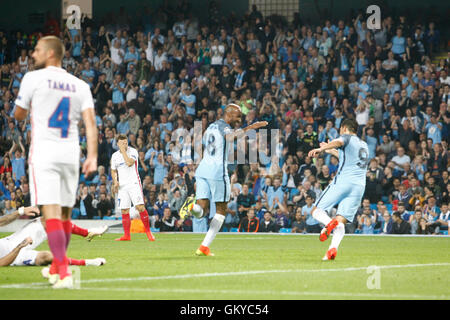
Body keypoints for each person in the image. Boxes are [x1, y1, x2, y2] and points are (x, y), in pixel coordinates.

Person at [14, 36, 98, 289]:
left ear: (51, 53)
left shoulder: (32, 78)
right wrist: (92, 156)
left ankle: (64, 273)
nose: (33, 54)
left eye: (38, 50)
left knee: (50, 214)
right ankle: (55, 267)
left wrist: (26, 109)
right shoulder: (80, 84)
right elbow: (91, 124)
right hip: (71, 153)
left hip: (44, 153)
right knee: (64, 215)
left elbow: (18, 113)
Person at [179, 104, 267, 256]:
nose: (239, 119)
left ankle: (191, 206)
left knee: (201, 210)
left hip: (203, 170)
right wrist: (250, 127)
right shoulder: (224, 127)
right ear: (229, 114)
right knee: (221, 211)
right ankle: (204, 246)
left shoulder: (211, 126)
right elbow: (231, 136)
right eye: (237, 116)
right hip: (217, 172)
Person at [308, 119, 369, 260]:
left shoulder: (346, 137)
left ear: (343, 128)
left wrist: (321, 149)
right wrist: (331, 151)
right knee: (340, 221)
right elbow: (347, 157)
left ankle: (329, 224)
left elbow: (340, 142)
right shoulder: (363, 145)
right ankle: (331, 250)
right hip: (359, 186)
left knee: (316, 211)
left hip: (343, 181)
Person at [0, 205, 107, 267]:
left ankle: (87, 233)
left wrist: (21, 211)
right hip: (14, 257)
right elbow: (2, 263)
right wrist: (20, 246)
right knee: (47, 257)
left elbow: (2, 221)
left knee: (47, 220)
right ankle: (88, 262)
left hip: (11, 240)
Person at [111, 134, 155, 242]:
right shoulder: (115, 156)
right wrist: (115, 181)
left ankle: (149, 233)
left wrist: (124, 151)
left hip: (134, 183)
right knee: (124, 210)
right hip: (122, 186)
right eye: (122, 143)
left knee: (140, 207)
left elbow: (130, 163)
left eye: (126, 142)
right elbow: (113, 170)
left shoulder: (133, 151)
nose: (124, 145)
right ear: (117, 144)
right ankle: (127, 235)